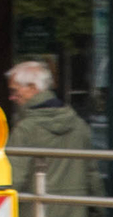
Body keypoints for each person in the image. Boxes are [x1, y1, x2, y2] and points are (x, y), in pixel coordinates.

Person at [7, 61, 93, 207]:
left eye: (15, 91)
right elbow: (92, 178)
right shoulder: (79, 125)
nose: (11, 97)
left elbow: (13, 180)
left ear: (32, 88)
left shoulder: (25, 129)